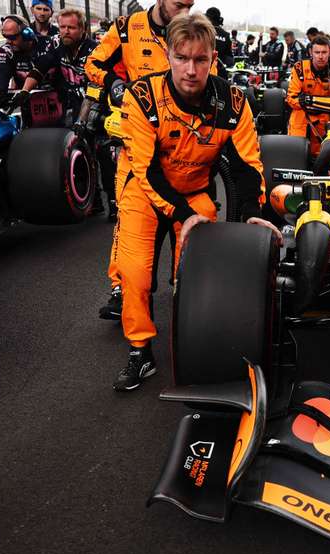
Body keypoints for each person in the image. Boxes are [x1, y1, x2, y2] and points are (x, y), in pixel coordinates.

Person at [113, 14, 279, 391]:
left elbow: (245, 166)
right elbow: (146, 170)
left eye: (200, 60)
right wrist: (183, 215)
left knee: (197, 276)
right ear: (168, 55)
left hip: (194, 192)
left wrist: (252, 213)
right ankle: (140, 350)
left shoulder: (234, 103)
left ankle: (194, 336)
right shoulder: (141, 97)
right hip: (144, 192)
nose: (191, 69)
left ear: (213, 58)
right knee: (135, 273)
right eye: (182, 58)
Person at [86, 0, 199, 320]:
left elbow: (210, 78)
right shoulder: (126, 28)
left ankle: (184, 285)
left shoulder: (193, 31)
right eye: (180, 4)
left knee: (187, 219)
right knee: (127, 221)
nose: (184, 11)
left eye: (190, 5)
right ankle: (122, 289)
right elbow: (93, 63)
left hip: (182, 150)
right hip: (135, 144)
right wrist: (113, 82)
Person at [16, 7, 97, 120]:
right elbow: (41, 67)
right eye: (62, 27)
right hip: (70, 103)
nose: (66, 31)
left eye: (71, 27)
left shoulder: (95, 50)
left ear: (83, 29)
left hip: (93, 105)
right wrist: (24, 91)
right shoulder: (56, 42)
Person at [286, 35, 330, 154]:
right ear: (310, 52)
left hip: (323, 113)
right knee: (295, 150)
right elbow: (291, 98)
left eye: (324, 52)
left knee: (322, 153)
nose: (320, 56)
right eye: (317, 52)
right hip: (301, 111)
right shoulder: (299, 68)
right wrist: (302, 101)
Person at [0, 15, 38, 106]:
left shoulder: (47, 45)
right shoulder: (7, 51)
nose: (9, 41)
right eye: (6, 37)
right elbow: (1, 72)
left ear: (26, 34)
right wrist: (0, 92)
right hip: (28, 104)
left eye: (13, 38)